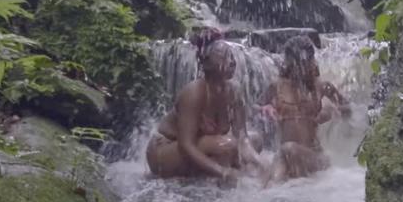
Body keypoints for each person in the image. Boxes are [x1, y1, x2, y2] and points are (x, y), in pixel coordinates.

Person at [146, 28, 260, 182]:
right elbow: (186, 145)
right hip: (166, 150)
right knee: (227, 145)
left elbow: (242, 138)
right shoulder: (194, 92)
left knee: (255, 140)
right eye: (224, 57)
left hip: (200, 146)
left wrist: (261, 165)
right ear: (206, 64)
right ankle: (215, 178)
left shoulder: (235, 92)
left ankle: (213, 174)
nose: (232, 62)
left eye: (232, 57)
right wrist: (222, 172)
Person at [261, 35, 350, 183]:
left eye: (304, 62)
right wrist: (266, 107)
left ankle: (270, 193)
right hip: (287, 155)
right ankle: (267, 196)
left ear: (311, 61)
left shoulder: (322, 86)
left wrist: (332, 112)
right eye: (295, 63)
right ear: (288, 63)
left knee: (287, 150)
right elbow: (255, 106)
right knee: (278, 163)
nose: (300, 68)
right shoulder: (276, 86)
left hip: (315, 157)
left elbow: (349, 109)